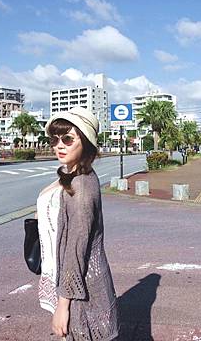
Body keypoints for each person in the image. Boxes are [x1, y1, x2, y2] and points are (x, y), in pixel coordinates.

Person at [36, 106, 118, 340]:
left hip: (84, 291)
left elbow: (76, 249)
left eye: (68, 139)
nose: (59, 145)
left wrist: (63, 306)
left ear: (86, 143)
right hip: (82, 284)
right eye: (54, 139)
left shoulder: (81, 186)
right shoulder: (72, 176)